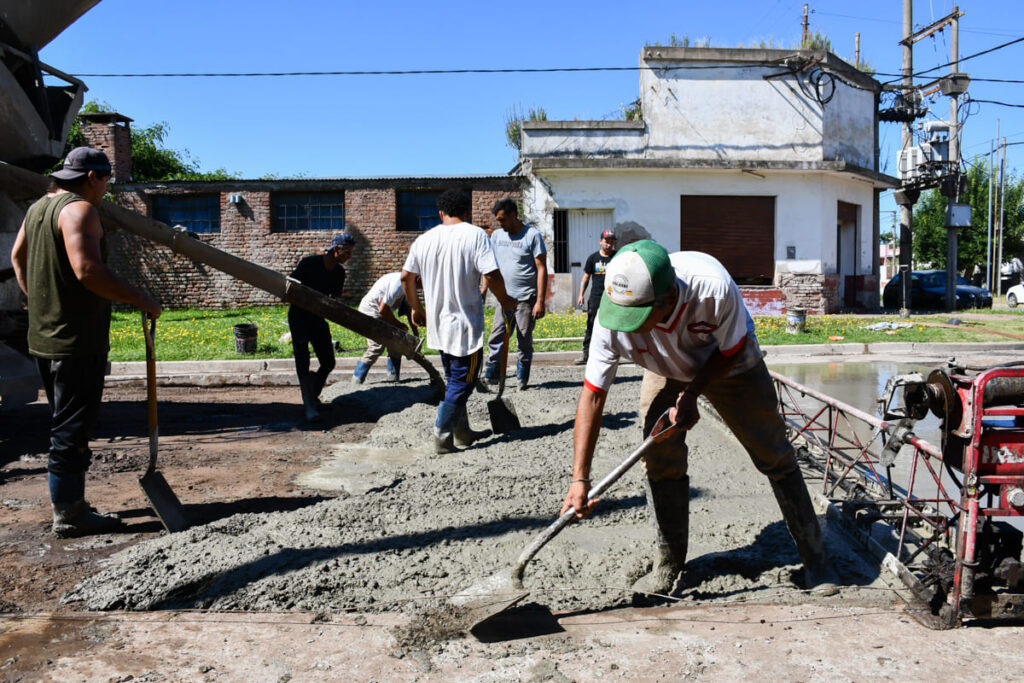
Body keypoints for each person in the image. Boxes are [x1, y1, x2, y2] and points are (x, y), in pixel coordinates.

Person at [559, 240, 839, 597]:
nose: (625, 328)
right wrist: (579, 478)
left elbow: (733, 349)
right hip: (665, 366)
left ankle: (815, 559)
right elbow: (593, 396)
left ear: (668, 298)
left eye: (637, 320)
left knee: (773, 452)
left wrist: (692, 394)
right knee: (658, 453)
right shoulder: (613, 313)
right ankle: (669, 563)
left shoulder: (712, 288)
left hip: (729, 364)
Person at [10, 146, 162, 538]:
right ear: (93, 176)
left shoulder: (38, 207)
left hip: (44, 336)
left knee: (65, 421)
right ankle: (70, 513)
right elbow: (88, 270)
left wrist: (41, 304)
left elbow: (17, 257)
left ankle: (69, 503)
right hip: (76, 339)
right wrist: (139, 297)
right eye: (107, 180)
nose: (106, 188)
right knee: (71, 428)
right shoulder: (80, 210)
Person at [401, 189, 516, 454]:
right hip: (465, 326)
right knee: (462, 382)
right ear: (467, 212)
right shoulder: (475, 235)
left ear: (440, 213)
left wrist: (416, 309)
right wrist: (507, 301)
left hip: (439, 325)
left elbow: (406, 277)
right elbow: (492, 274)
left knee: (454, 378)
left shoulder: (424, 239)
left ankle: (462, 432)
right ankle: (442, 436)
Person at [481, 198, 547, 390]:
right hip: (504, 298)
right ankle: (492, 374)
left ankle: (522, 377)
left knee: (524, 338)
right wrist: (484, 288)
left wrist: (540, 301)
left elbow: (541, 268)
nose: (499, 224)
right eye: (497, 220)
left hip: (526, 298)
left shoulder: (532, 236)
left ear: (513, 215)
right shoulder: (497, 236)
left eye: (502, 219)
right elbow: (489, 266)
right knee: (496, 337)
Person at [288, 232, 354, 421]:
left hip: (318, 319)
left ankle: (312, 396)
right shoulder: (309, 264)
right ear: (336, 249)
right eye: (347, 252)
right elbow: (291, 287)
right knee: (303, 361)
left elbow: (334, 299)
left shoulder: (339, 273)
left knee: (328, 361)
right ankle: (309, 405)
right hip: (299, 317)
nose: (349, 257)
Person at [352, 271, 419, 384]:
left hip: (381, 312)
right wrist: (399, 324)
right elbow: (383, 310)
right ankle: (356, 380)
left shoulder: (409, 284)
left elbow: (409, 310)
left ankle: (393, 379)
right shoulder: (398, 284)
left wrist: (415, 334)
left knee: (397, 341)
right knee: (376, 346)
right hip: (370, 312)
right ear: (418, 279)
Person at [574, 228, 617, 366]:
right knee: (591, 325)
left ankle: (613, 355)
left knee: (614, 327)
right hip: (596, 297)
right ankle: (586, 355)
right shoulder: (593, 258)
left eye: (611, 241)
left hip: (613, 299)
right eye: (606, 241)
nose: (609, 244)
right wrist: (581, 295)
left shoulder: (617, 257)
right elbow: (586, 278)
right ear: (600, 241)